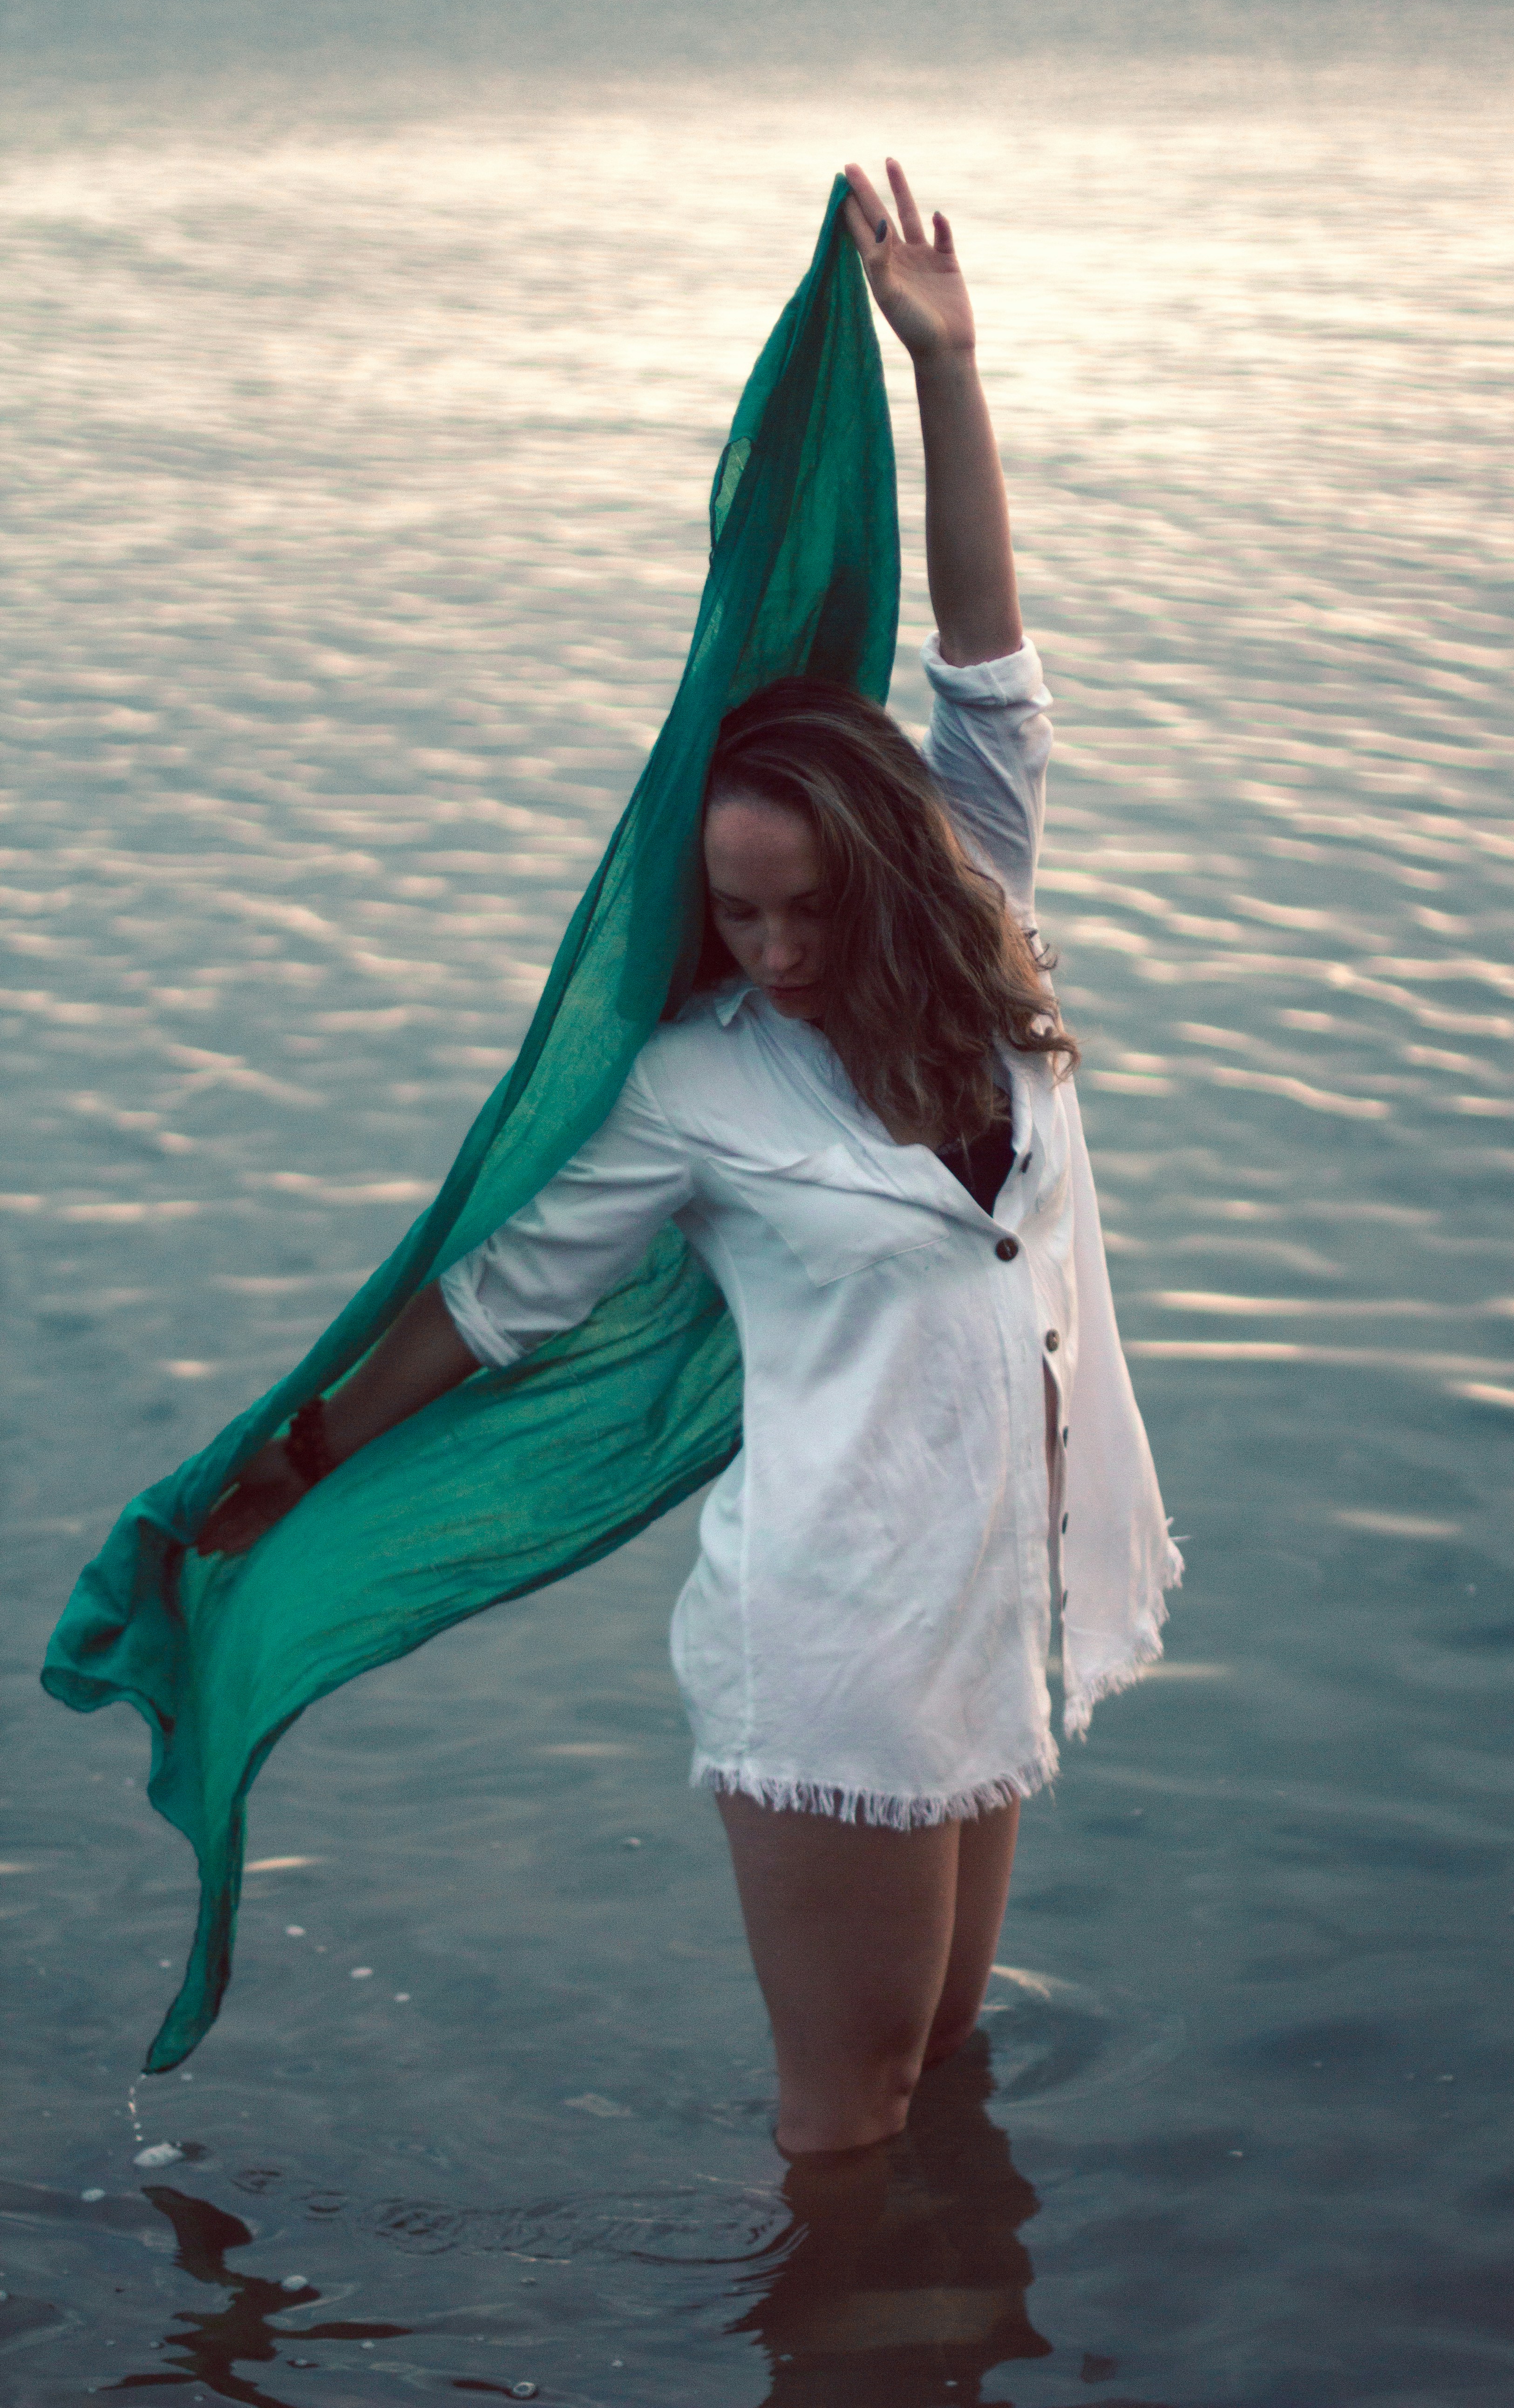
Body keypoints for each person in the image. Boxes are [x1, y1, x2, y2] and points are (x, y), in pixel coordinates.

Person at [196, 160, 1175, 2159]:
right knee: (850, 2118)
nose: (776, 950)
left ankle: (934, 2320)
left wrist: (948, 370)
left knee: (945, 2085)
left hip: (988, 1598)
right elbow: (495, 1306)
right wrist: (298, 1457)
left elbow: (989, 663)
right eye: (738, 915)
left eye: (809, 907)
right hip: (833, 1638)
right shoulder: (692, 1092)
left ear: (892, 874)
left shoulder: (985, 928)